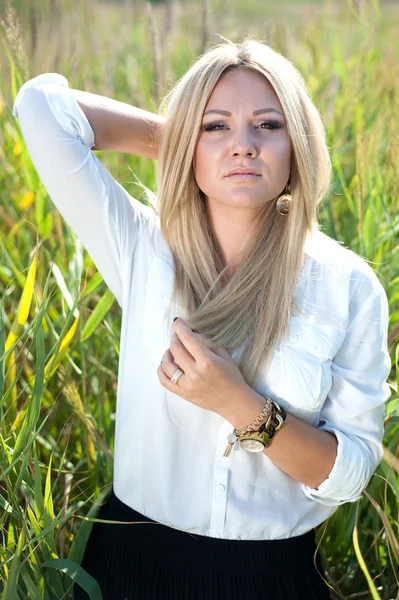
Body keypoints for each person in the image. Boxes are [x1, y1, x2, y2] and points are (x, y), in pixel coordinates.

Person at [12, 38, 391, 600]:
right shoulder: (142, 248)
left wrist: (240, 405)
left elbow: (352, 471)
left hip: (273, 578)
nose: (243, 145)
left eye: (268, 125)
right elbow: (41, 110)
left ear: (299, 148)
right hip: (134, 565)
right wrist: (189, 140)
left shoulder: (348, 285)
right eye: (218, 127)